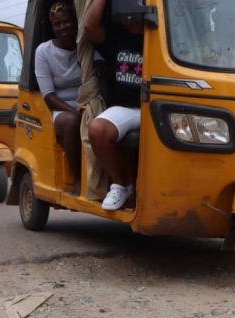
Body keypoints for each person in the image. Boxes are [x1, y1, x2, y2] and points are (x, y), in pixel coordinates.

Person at [84, 0, 144, 211]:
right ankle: (120, 184)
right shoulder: (116, 35)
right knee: (98, 129)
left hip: (160, 105)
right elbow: (90, 27)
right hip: (127, 108)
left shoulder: (161, 37)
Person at [35, 1, 83, 192]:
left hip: (87, 102)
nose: (63, 27)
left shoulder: (84, 45)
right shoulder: (43, 52)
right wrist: (76, 112)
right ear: (52, 27)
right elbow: (48, 95)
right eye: (57, 24)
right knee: (72, 123)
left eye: (66, 22)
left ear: (74, 21)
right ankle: (77, 177)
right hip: (60, 108)